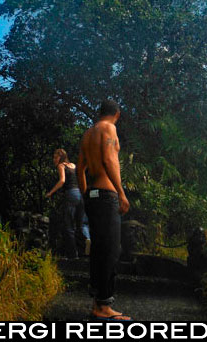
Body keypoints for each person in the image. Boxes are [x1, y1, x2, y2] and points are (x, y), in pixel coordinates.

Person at [76, 99, 132, 321]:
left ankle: (97, 302)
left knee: (99, 250)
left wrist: (86, 194)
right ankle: (104, 306)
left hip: (92, 195)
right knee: (111, 250)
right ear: (116, 114)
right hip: (107, 196)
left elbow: (80, 168)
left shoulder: (89, 133)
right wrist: (121, 193)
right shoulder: (109, 128)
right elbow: (109, 160)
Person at [45, 149, 91, 260]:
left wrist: (50, 192)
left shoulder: (61, 166)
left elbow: (62, 181)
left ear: (60, 157)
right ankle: (87, 241)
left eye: (55, 157)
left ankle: (73, 255)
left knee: (68, 225)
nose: (54, 159)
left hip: (70, 195)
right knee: (81, 224)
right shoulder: (73, 165)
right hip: (80, 194)